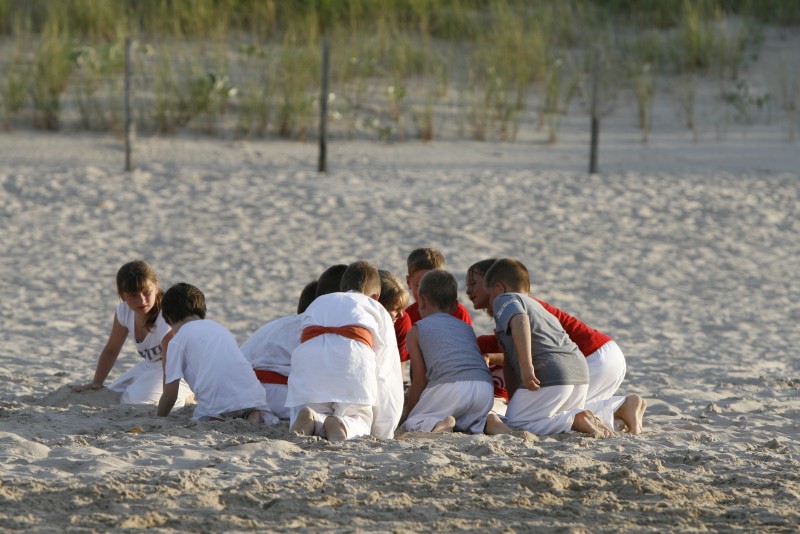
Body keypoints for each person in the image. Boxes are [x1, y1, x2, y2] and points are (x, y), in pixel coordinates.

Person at [467, 258, 646, 434]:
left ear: (497, 285)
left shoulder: (508, 302)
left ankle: (594, 414)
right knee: (554, 411)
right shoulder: (532, 305)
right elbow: (511, 361)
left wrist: (526, 368)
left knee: (526, 421)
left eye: (474, 284)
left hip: (588, 357)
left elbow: (521, 325)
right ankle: (619, 406)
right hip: (589, 362)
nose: (468, 291)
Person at [286, 261, 404, 441]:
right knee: (359, 418)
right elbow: (386, 372)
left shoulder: (318, 302)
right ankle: (343, 424)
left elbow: (299, 342)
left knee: (316, 406)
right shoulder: (376, 308)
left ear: (342, 289)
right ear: (375, 296)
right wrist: (384, 432)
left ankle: (314, 417)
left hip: (309, 362)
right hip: (351, 358)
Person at [72, 260, 193, 406]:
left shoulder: (166, 316)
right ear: (122, 295)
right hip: (150, 365)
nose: (142, 300)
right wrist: (96, 383)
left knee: (141, 401)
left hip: (181, 369)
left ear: (156, 287)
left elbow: (171, 366)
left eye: (146, 292)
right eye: (134, 295)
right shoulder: (124, 310)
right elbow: (111, 350)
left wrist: (167, 400)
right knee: (112, 391)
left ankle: (190, 395)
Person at [156, 283, 277, 424]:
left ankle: (218, 416)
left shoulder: (177, 340)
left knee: (208, 415)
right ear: (202, 311)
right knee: (245, 405)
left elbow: (170, 394)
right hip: (253, 395)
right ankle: (252, 414)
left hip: (216, 401)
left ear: (170, 318)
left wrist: (158, 416)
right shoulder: (220, 328)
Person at [240, 265, 347, 420]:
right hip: (281, 396)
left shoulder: (275, 325)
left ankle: (256, 412)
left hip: (242, 393)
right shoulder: (326, 330)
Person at [403, 270, 494, 434]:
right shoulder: (465, 328)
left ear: (421, 301)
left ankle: (442, 423)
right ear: (455, 305)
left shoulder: (417, 330)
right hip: (485, 389)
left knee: (414, 422)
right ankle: (491, 423)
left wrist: (408, 415)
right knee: (471, 423)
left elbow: (419, 381)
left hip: (451, 388)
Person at [404, 247, 473, 327]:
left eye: (432, 284)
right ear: (408, 282)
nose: (426, 293)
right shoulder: (407, 317)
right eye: (419, 285)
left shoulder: (458, 313)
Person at [377, 269, 411, 364]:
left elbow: (399, 364)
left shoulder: (402, 321)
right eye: (394, 309)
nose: (400, 314)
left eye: (402, 308)